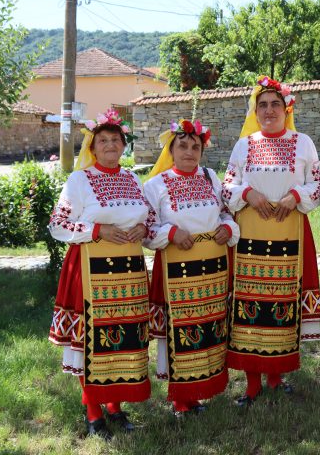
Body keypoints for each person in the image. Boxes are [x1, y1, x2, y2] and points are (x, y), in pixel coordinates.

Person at [48, 109, 153, 439]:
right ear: (92, 147)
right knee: (91, 341)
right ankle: (93, 413)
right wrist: (97, 230)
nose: (110, 145)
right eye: (103, 140)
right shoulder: (79, 180)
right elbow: (58, 224)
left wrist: (142, 228)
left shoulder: (133, 179)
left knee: (123, 338)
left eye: (116, 139)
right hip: (91, 269)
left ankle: (115, 405)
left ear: (124, 145)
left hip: (130, 271)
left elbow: (149, 220)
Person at [223, 75, 320, 406]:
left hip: (288, 229)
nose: (269, 110)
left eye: (275, 104)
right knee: (251, 304)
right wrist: (247, 194)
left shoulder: (303, 142)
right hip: (251, 233)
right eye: (262, 105)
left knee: (282, 302)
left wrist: (296, 196)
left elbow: (317, 184)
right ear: (255, 111)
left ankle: (276, 377)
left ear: (286, 108)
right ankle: (253, 383)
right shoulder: (244, 144)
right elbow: (227, 186)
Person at [143, 117, 240, 417]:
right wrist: (171, 233)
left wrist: (228, 228)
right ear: (171, 150)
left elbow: (225, 213)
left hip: (212, 269)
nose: (189, 152)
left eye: (195, 147)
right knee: (181, 331)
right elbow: (147, 230)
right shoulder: (155, 185)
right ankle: (181, 398)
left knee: (210, 327)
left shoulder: (210, 177)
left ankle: (203, 389)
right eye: (182, 146)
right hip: (178, 271)